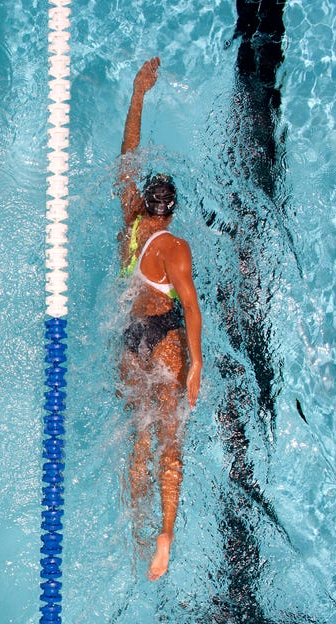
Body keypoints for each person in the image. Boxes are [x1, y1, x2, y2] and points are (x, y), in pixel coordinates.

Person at [117, 57, 203, 581]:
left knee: (140, 436)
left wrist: (138, 95)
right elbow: (190, 307)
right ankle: (166, 531)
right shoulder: (174, 248)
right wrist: (196, 367)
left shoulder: (130, 221)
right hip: (166, 339)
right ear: (172, 211)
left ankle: (137, 527)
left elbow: (127, 155)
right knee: (172, 438)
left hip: (129, 339)